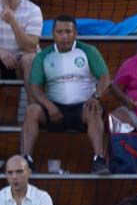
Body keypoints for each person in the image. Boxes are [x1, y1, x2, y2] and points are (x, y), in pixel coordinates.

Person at [23, 15, 111, 175]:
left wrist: (96, 96)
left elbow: (105, 78)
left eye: (68, 32)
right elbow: (34, 86)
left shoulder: (88, 51)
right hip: (54, 109)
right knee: (32, 111)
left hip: (83, 107)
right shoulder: (44, 56)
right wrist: (49, 106)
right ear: (53, 34)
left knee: (94, 109)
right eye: (60, 32)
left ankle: (99, 160)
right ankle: (26, 160)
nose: (64, 36)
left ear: (75, 33)